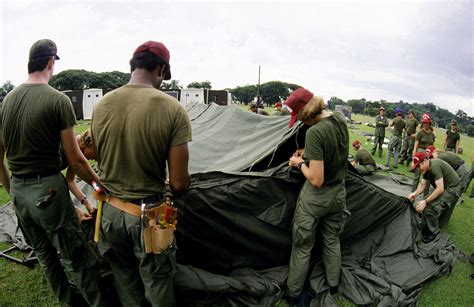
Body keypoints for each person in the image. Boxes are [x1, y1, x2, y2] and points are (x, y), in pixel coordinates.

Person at [0, 39, 106, 306]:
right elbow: (77, 160)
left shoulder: (7, 101)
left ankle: (70, 301)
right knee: (75, 256)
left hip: (20, 193)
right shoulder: (57, 100)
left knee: (46, 257)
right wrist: (99, 188)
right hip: (47, 189)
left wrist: (12, 191)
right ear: (51, 62)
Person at [91, 40, 192, 307]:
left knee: (125, 280)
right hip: (151, 215)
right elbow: (180, 182)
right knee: (158, 282)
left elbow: (101, 157)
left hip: (109, 212)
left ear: (132, 65)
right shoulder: (173, 109)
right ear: (160, 69)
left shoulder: (101, 105)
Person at [284, 88, 349, 303]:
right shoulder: (339, 119)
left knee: (302, 245)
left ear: (305, 114)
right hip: (339, 194)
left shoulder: (315, 132)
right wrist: (308, 152)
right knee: (332, 240)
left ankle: (293, 294)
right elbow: (332, 151)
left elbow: (316, 179)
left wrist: (299, 162)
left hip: (316, 198)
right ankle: (333, 286)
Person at [408, 151, 461, 242]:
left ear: (425, 161)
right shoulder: (426, 169)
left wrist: (426, 202)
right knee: (424, 203)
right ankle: (425, 226)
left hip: (452, 189)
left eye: (419, 166)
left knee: (432, 207)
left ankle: (434, 233)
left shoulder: (434, 166)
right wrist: (415, 194)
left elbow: (440, 189)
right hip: (445, 187)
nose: (418, 169)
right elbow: (422, 185)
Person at [412, 113, 436, 191]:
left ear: (429, 123)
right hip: (420, 154)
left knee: (428, 177)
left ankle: (425, 197)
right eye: (424, 122)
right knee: (417, 176)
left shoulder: (432, 134)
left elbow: (433, 147)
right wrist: (413, 159)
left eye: (426, 122)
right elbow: (415, 146)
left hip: (429, 156)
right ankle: (412, 195)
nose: (425, 124)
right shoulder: (420, 133)